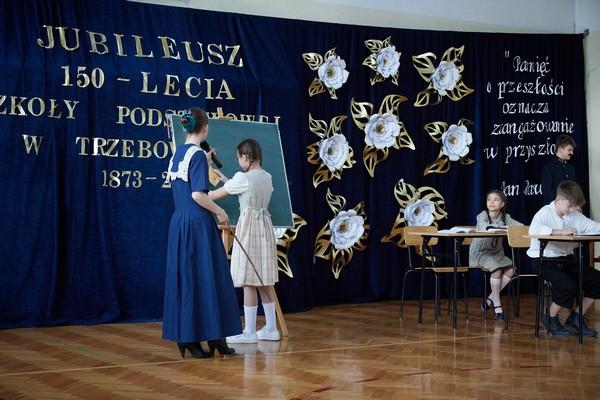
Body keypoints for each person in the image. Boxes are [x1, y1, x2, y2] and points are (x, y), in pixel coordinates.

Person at [162, 108, 241, 358]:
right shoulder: (196, 155)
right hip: (197, 223)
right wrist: (220, 212)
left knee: (190, 279)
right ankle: (203, 337)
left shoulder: (179, 153)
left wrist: (205, 164)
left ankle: (201, 337)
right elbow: (197, 195)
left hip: (180, 222)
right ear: (205, 128)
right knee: (207, 277)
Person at [209, 139, 280, 344]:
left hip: (249, 228)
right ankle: (271, 329)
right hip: (264, 226)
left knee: (248, 280)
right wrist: (226, 180)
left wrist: (203, 189)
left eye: (239, 158)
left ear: (245, 157)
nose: (239, 162)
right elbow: (245, 188)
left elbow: (213, 195)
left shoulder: (243, 178)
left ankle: (249, 332)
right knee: (264, 279)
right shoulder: (267, 176)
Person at [527, 180, 600, 337]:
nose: (572, 209)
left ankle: (576, 318)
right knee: (569, 286)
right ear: (558, 199)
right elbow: (534, 230)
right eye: (569, 205)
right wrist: (559, 231)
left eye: (574, 206)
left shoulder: (573, 214)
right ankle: (550, 317)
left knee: (597, 279)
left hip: (566, 260)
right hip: (544, 260)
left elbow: (594, 226)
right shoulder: (544, 212)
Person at [469, 189, 523, 320]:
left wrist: (510, 228)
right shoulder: (482, 216)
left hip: (496, 254)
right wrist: (503, 228)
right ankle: (497, 307)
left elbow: (520, 227)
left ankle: (489, 299)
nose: (491, 202)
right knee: (497, 270)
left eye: (496, 200)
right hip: (481, 253)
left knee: (512, 269)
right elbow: (486, 228)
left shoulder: (506, 218)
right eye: (489, 199)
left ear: (502, 204)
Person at [541, 134, 577, 205]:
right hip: (554, 208)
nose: (572, 153)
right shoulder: (549, 168)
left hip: (571, 207)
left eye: (572, 150)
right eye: (569, 150)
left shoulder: (571, 168)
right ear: (560, 149)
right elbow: (547, 193)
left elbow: (575, 191)